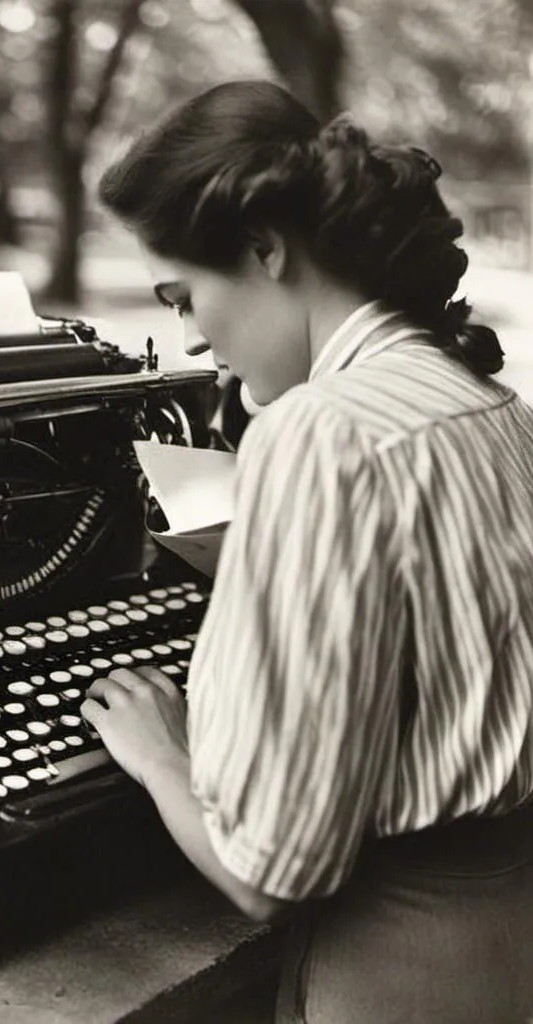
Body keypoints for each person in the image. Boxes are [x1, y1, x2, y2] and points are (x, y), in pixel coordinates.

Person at [84, 79, 533, 1023]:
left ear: (264, 247)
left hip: (398, 976)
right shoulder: (494, 403)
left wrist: (163, 754)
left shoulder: (318, 432)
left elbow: (271, 875)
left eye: (184, 296)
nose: (195, 341)